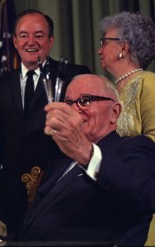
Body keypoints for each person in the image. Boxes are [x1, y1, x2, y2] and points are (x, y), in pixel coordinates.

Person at [0, 9, 91, 238]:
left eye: (39, 35)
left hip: (59, 192)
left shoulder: (74, 76)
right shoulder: (1, 84)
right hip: (13, 197)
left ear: (51, 40)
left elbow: (87, 132)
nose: (30, 42)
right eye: (23, 35)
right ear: (14, 41)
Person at [18, 74, 155, 245]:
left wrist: (88, 155)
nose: (74, 110)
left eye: (85, 100)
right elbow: (35, 219)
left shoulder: (134, 147)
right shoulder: (61, 160)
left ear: (114, 112)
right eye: (68, 103)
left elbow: (145, 193)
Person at [97, 11, 155, 244]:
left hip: (143, 202)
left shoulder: (148, 83)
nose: (100, 48)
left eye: (105, 42)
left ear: (125, 47)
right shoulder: (110, 90)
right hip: (113, 194)